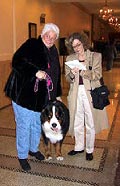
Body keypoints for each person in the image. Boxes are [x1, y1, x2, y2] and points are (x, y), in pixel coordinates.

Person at [4, 23, 62, 171]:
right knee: (24, 126)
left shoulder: (54, 51)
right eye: (47, 35)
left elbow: (56, 74)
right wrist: (34, 72)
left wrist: (58, 94)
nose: (49, 39)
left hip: (42, 99)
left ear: (55, 39)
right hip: (24, 95)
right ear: (42, 34)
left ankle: (33, 149)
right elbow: (16, 61)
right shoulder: (32, 45)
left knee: (37, 125)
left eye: (53, 37)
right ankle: (22, 156)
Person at [65, 32, 109, 161]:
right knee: (77, 120)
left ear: (84, 43)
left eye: (78, 45)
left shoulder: (95, 56)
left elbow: (97, 75)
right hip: (75, 93)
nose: (77, 48)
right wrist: (72, 74)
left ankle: (89, 149)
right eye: (74, 46)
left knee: (90, 121)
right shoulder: (70, 59)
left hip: (90, 92)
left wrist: (83, 71)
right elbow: (67, 78)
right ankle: (79, 147)